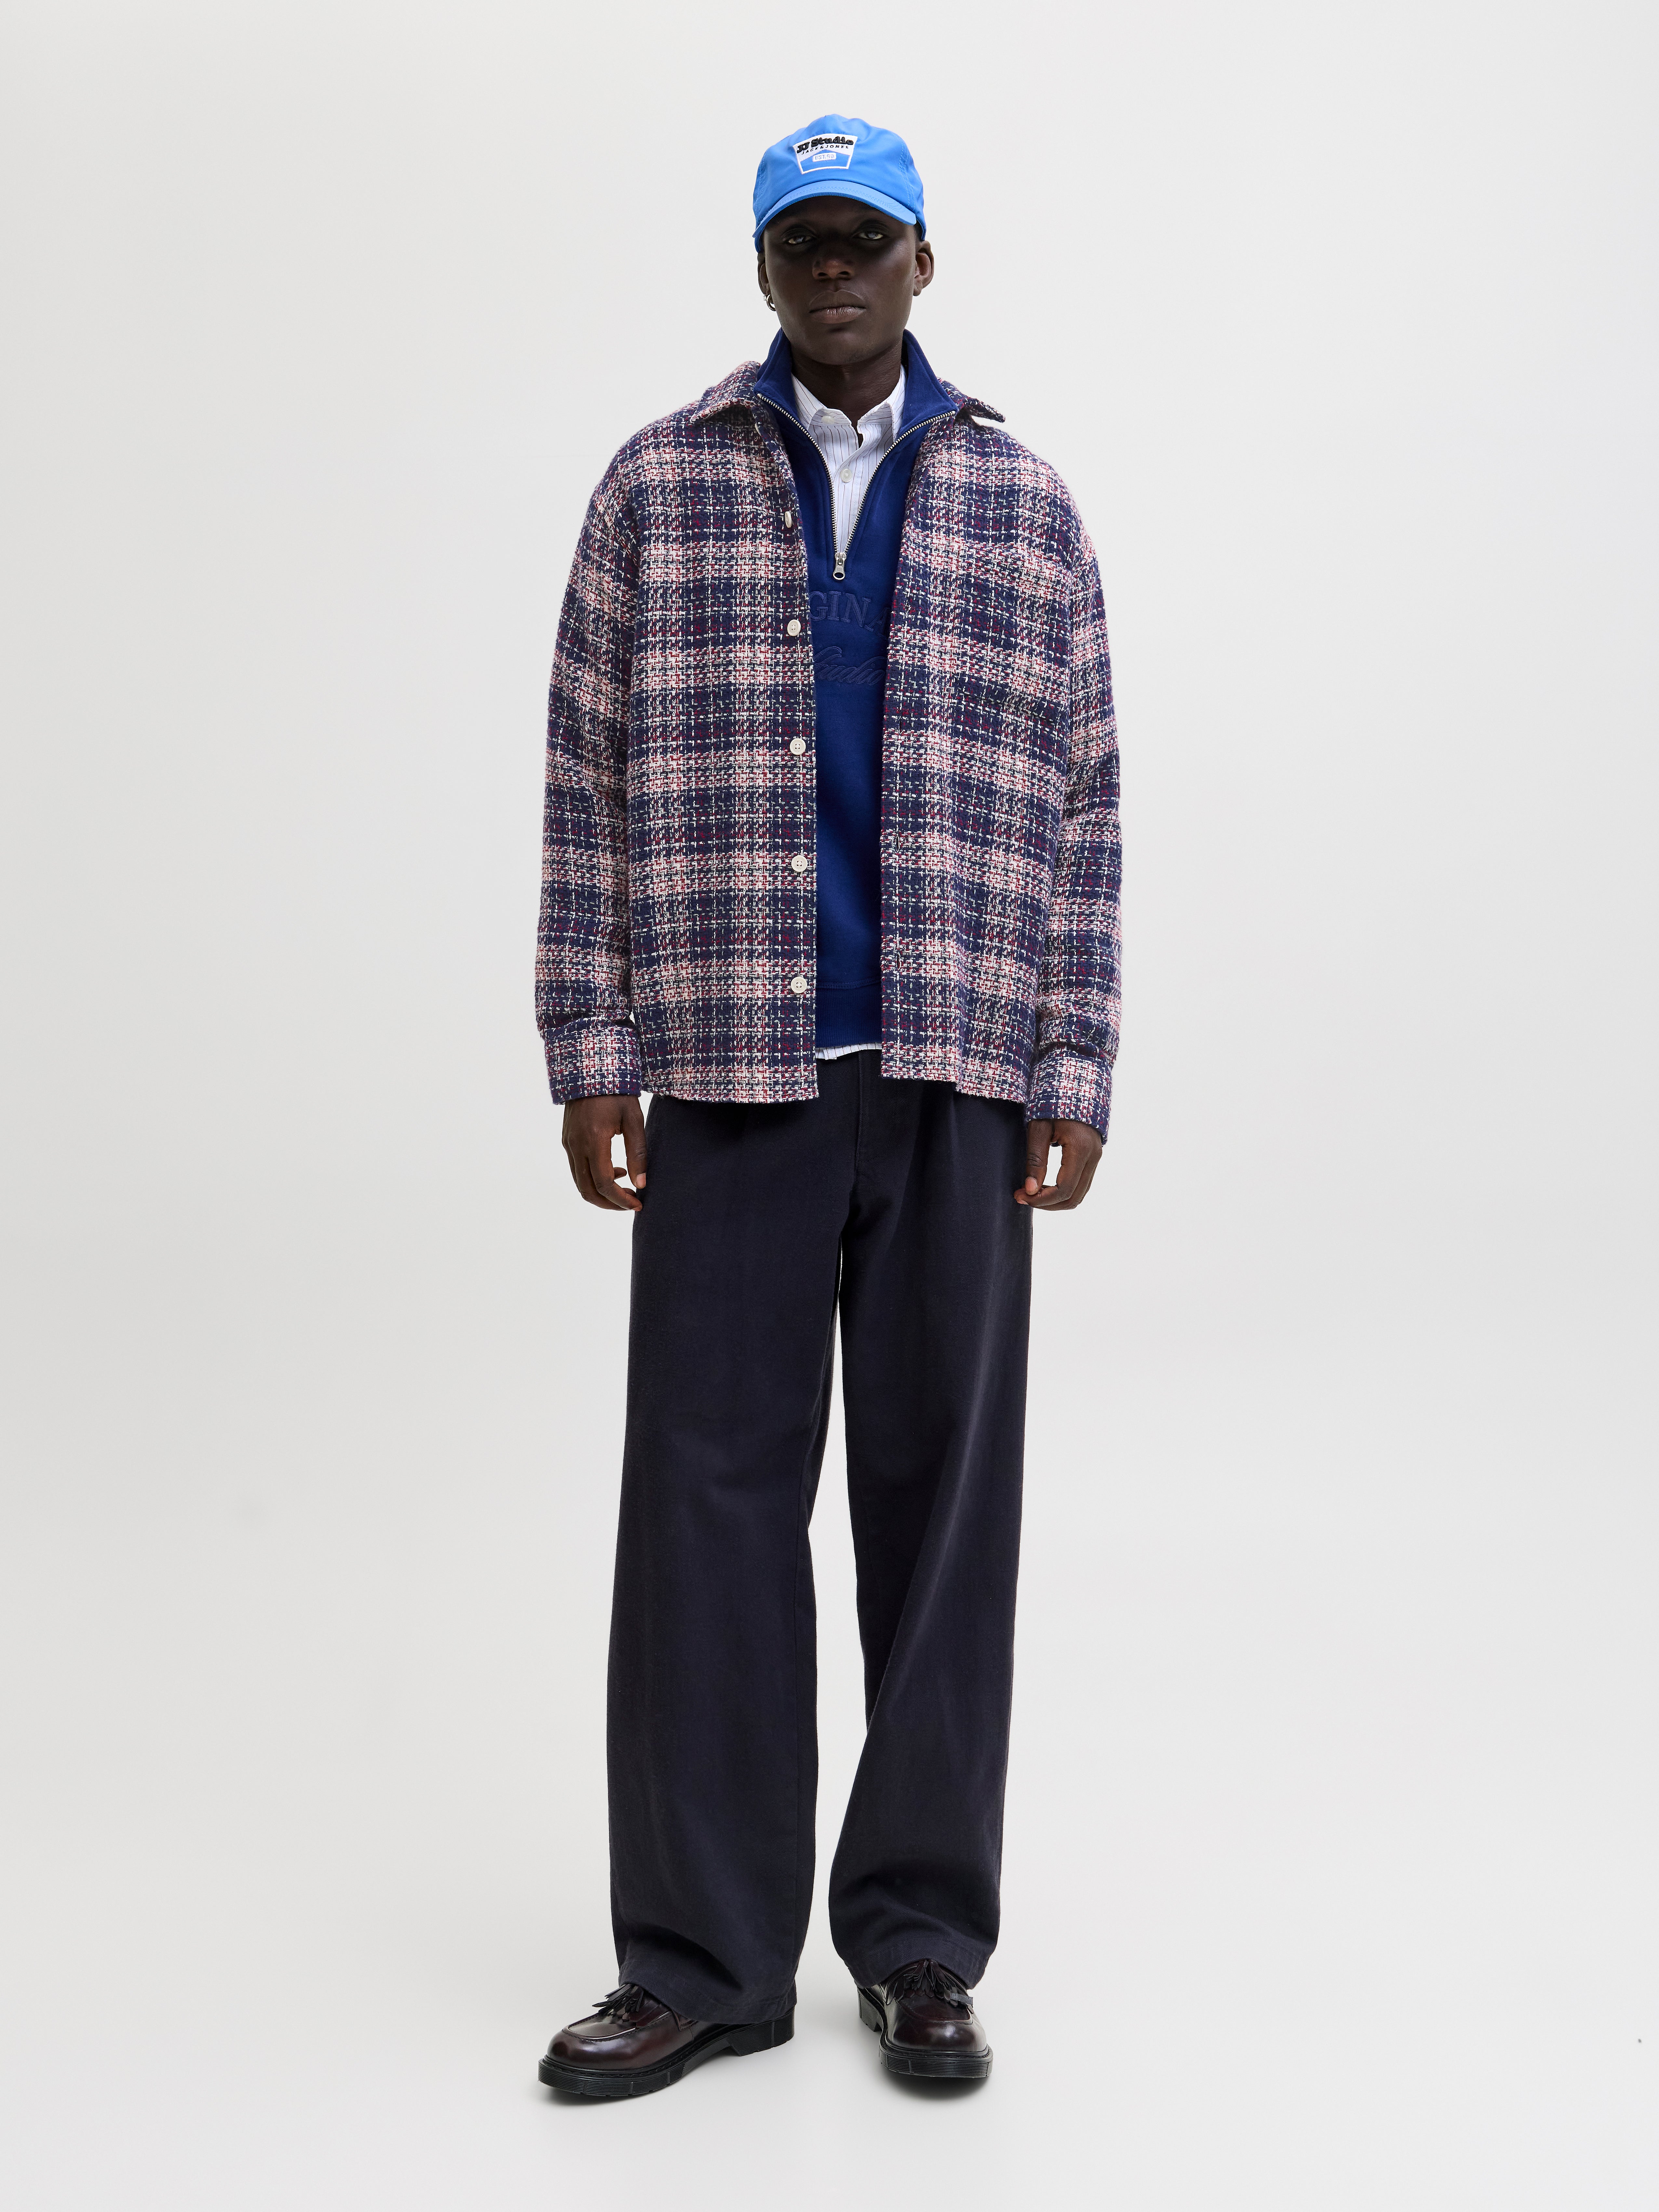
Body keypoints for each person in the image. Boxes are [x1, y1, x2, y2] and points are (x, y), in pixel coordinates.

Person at [534, 114, 1121, 2099]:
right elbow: (585, 775)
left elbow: (1088, 801)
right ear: (766, 268)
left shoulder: (1026, 508)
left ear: (925, 262)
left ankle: (923, 1942)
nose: (838, 271)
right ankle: (704, 1957)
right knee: (704, 1512)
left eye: (869, 239)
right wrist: (588, 1043)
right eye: (805, 243)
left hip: (957, 1073)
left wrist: (1074, 1059)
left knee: (943, 1516)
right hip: (731, 1072)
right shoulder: (657, 487)